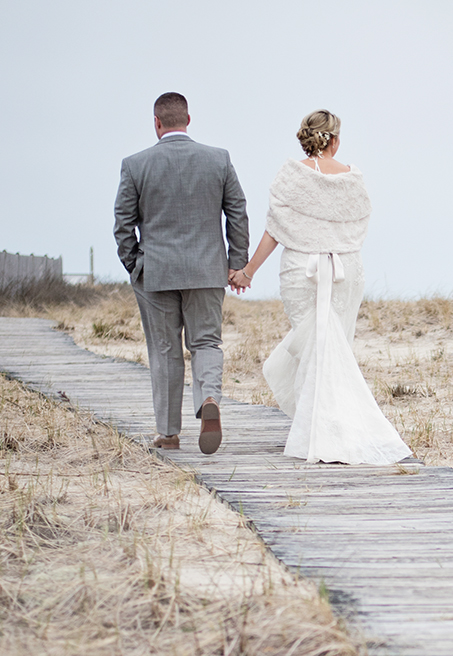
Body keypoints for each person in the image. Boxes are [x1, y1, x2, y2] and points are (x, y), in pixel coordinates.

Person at [229, 110, 412, 466]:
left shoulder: (291, 175)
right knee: (331, 345)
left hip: (302, 270)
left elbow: (275, 230)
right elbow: (358, 226)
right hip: (346, 269)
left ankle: (319, 431)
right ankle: (328, 427)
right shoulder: (352, 178)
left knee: (318, 347)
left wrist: (248, 271)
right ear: (335, 140)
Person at [114, 92, 249, 454]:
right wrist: (237, 263)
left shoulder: (135, 164)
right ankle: (209, 399)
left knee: (165, 350)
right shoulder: (218, 159)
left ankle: (169, 433)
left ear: (156, 123)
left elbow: (123, 223)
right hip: (207, 270)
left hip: (155, 273)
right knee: (206, 342)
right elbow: (237, 211)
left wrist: (134, 265)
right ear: (188, 120)